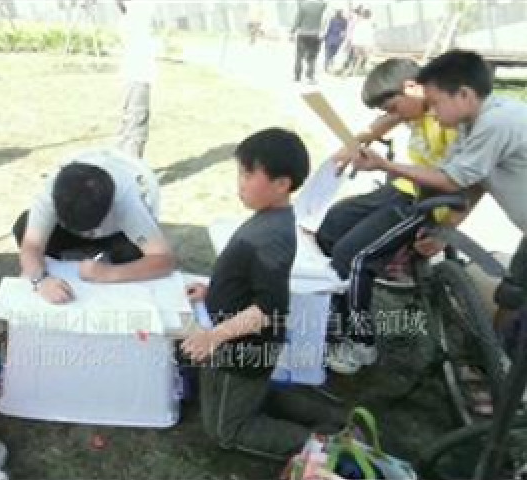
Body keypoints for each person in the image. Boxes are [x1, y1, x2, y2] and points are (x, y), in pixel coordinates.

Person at [181, 128, 343, 457]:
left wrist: (213, 337)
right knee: (235, 395)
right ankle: (330, 419)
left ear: (281, 184)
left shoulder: (271, 237)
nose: (239, 183)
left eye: (248, 174)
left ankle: (326, 449)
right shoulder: (270, 219)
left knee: (225, 430)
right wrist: (213, 291)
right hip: (235, 339)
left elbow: (268, 310)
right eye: (240, 173)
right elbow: (251, 280)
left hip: (242, 349)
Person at [342, 49, 527, 323]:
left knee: (515, 295)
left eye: (435, 104)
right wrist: (446, 231)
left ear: (464, 95)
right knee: (512, 293)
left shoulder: (497, 122)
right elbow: (471, 183)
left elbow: (450, 180)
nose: (433, 114)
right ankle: (497, 349)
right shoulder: (470, 125)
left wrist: (385, 165)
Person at [315, 58, 464, 374]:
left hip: (427, 201)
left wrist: (445, 229)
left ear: (412, 87)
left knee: (355, 257)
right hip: (401, 188)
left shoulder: (449, 119)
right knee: (331, 225)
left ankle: (362, 345)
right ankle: (337, 312)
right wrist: (358, 142)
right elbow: (387, 119)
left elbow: (465, 182)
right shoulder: (416, 106)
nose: (395, 115)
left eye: (394, 106)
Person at [12, 148, 175, 304]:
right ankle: (62, 265)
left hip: (117, 232)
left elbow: (164, 259)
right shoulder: (53, 191)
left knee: (134, 254)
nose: (88, 235)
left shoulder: (128, 201)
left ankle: (107, 258)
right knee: (23, 226)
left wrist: (108, 273)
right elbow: (32, 245)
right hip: (74, 222)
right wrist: (40, 280)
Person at [116, 0, 157, 159]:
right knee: (133, 122)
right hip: (136, 73)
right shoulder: (135, 15)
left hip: (134, 74)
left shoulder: (134, 15)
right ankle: (127, 164)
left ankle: (124, 163)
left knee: (131, 121)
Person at [291, 0, 327, 83]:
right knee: (312, 57)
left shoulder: (303, 5)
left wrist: (292, 31)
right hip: (315, 34)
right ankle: (310, 77)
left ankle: (297, 76)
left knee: (299, 56)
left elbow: (298, 20)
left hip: (303, 34)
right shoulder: (322, 5)